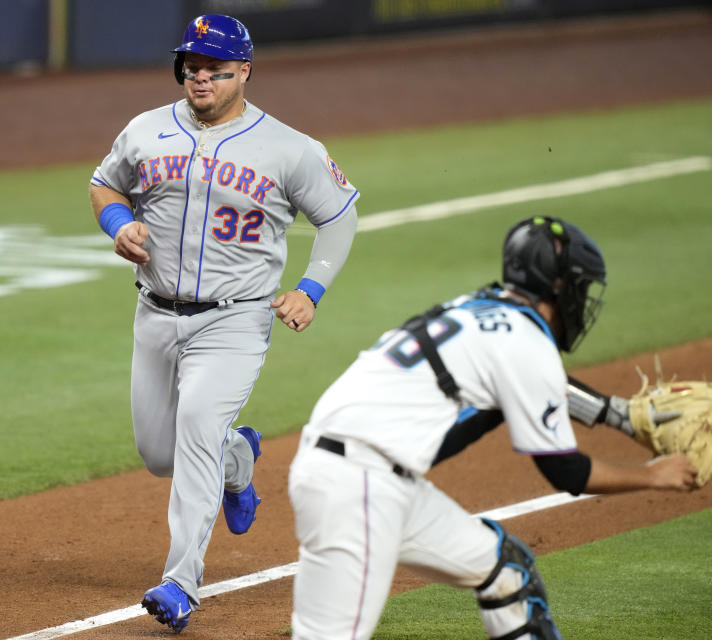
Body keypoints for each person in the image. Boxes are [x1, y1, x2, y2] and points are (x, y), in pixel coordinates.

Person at [288, 215, 697, 640]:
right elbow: (565, 471)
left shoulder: (481, 309)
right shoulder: (525, 340)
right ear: (558, 288)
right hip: (359, 487)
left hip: (368, 475)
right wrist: (654, 474)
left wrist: (620, 416)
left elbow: (532, 384)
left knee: (506, 569)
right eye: (579, 287)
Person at [89, 13, 359, 633]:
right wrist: (116, 224)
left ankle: (181, 581)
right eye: (193, 65)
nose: (201, 76)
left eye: (215, 67)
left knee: (196, 432)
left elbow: (339, 217)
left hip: (235, 322)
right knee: (160, 455)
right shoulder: (146, 130)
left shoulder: (290, 147)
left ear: (245, 71)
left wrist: (311, 289)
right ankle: (239, 458)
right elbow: (104, 185)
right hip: (154, 314)